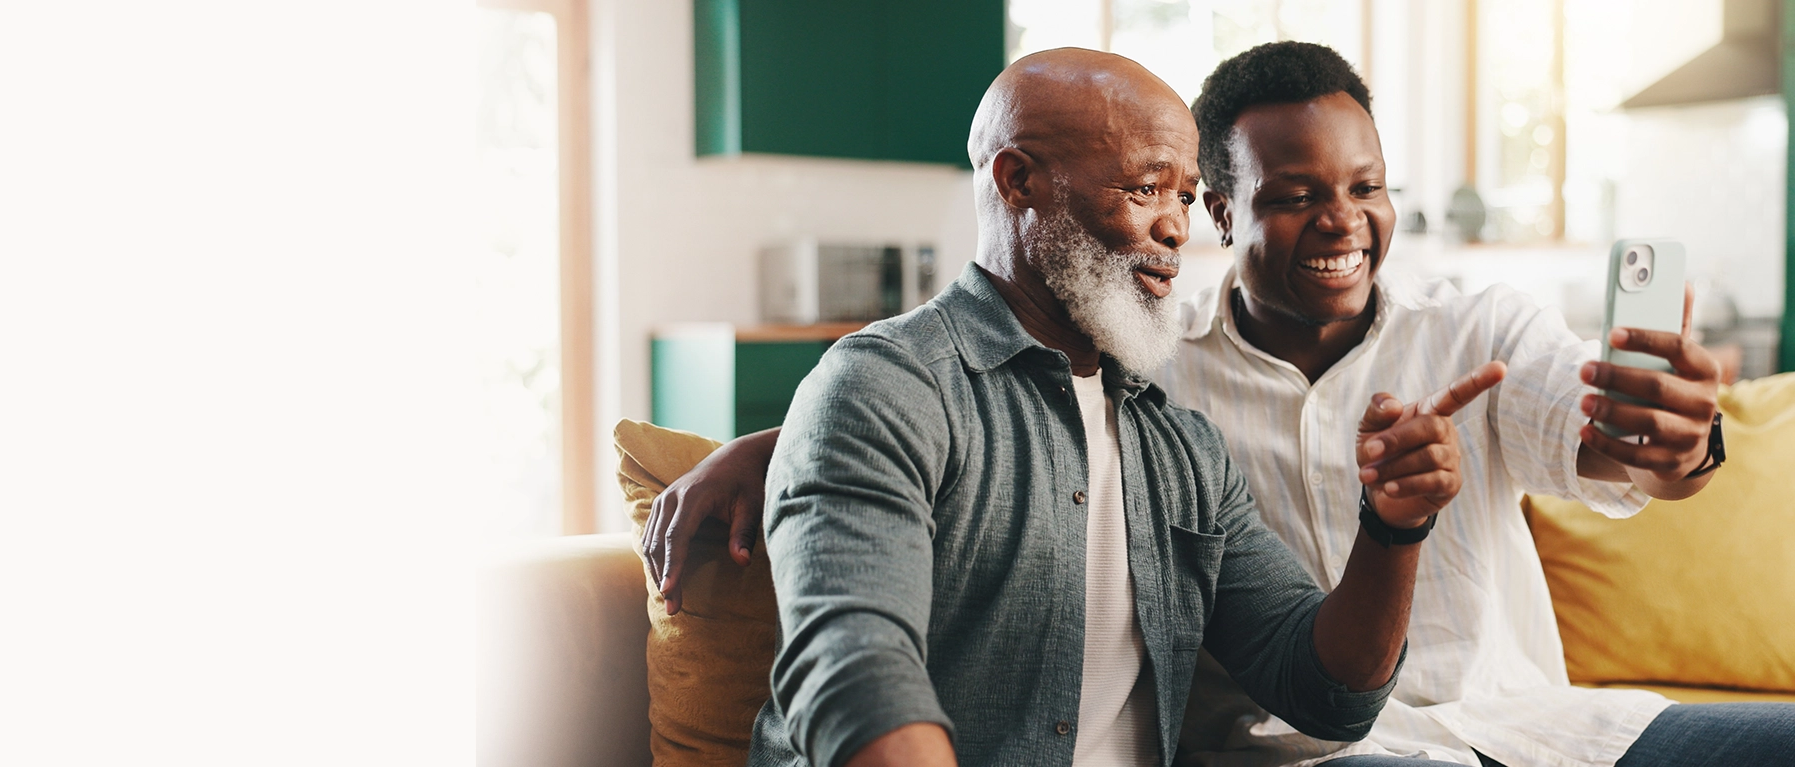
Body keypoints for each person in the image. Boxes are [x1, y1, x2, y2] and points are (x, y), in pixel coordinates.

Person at [647, 42, 1791, 767]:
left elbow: (1612, 454)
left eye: (1365, 189)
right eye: (1290, 197)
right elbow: (858, 662)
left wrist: (1666, 441)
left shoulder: (1168, 427)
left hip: (1526, 729)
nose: (1341, 222)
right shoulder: (1074, 374)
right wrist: (796, 429)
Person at [724, 47, 1503, 767]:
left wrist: (1394, 528)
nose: (1174, 225)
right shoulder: (887, 385)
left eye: (1188, 196)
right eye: (1145, 187)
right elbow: (857, 671)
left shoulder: (1178, 444)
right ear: (1017, 181)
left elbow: (1327, 691)